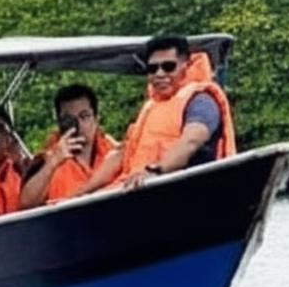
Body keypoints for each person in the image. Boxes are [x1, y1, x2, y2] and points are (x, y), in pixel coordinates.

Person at [77, 34, 237, 193]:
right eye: (153, 68)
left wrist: (155, 172)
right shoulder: (151, 107)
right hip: (143, 190)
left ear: (185, 66)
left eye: (168, 66)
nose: (160, 74)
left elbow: (191, 141)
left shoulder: (200, 101)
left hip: (188, 190)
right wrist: (80, 193)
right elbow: (123, 154)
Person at [19, 84, 118, 209]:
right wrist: (54, 162)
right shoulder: (44, 161)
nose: (79, 125)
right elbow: (25, 204)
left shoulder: (115, 152)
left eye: (84, 116)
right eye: (69, 119)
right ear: (59, 123)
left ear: (96, 119)